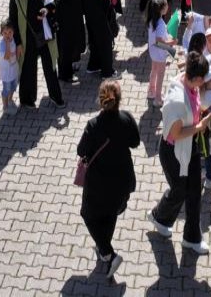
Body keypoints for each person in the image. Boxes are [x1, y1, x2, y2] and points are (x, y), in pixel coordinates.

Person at [149, 51, 211, 256]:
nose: (205, 82)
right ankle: (159, 217)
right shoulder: (177, 100)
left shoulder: (188, 83)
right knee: (180, 190)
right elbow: (176, 134)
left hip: (189, 147)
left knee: (195, 190)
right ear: (195, 78)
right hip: (173, 152)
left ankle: (192, 238)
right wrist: (199, 126)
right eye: (203, 79)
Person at [77, 81, 140, 279]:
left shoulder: (93, 125)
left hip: (98, 184)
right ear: (119, 100)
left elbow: (81, 150)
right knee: (110, 213)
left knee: (88, 215)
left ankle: (108, 253)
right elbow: (136, 142)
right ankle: (104, 249)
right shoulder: (127, 118)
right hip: (122, 180)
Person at [9, 0, 64, 109]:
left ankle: (56, 97)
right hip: (27, 39)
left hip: (44, 36)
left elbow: (56, 1)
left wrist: (46, 10)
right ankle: (27, 99)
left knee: (50, 67)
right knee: (28, 69)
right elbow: (13, 21)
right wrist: (18, 43)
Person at [0, 21, 19, 115]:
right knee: (6, 89)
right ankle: (5, 106)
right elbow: (6, 56)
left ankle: (10, 100)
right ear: (1, 33)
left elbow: (17, 52)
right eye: (5, 33)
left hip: (14, 69)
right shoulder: (2, 45)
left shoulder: (14, 40)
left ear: (13, 32)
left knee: (13, 86)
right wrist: (7, 44)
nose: (7, 35)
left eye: (10, 32)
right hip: (6, 73)